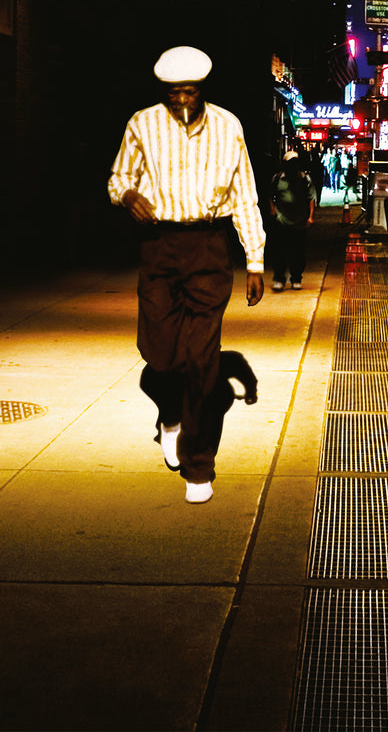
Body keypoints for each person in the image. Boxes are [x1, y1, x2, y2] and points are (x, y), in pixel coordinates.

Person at [108, 45, 265, 505]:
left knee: (202, 362)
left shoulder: (227, 125)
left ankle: (200, 466)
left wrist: (254, 259)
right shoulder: (142, 124)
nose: (181, 99)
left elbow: (244, 194)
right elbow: (117, 178)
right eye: (173, 92)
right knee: (160, 354)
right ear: (163, 90)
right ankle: (170, 415)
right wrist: (127, 195)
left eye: (189, 91)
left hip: (209, 247)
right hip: (159, 248)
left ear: (202, 89)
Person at [267, 150, 317, 291]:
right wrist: (273, 210)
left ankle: (296, 278)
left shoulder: (304, 178)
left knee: (298, 252)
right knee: (279, 252)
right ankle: (279, 279)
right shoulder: (277, 178)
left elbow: (311, 197)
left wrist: (311, 216)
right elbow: (270, 194)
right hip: (282, 220)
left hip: (299, 221)